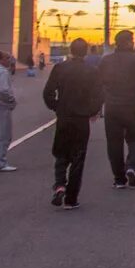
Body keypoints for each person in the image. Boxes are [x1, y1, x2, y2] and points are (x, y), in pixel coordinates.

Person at [42, 38, 103, 209]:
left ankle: (60, 184)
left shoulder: (60, 68)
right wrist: (92, 111)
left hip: (64, 117)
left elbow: (48, 92)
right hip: (81, 119)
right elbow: (99, 95)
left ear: (71, 50)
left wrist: (56, 107)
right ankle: (71, 198)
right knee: (78, 157)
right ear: (86, 52)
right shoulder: (92, 71)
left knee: (61, 153)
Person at [98, 30, 135, 189]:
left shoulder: (106, 61)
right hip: (132, 108)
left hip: (112, 108)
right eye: (132, 40)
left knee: (114, 143)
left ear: (116, 43)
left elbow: (98, 85)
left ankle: (119, 179)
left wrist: (97, 107)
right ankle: (132, 167)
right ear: (129, 43)